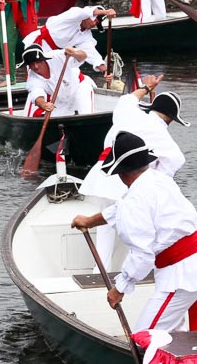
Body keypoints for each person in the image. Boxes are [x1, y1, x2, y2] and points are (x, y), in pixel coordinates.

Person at [71, 131, 197, 333]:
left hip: (181, 276)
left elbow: (142, 255)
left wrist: (120, 288)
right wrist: (89, 221)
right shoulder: (158, 179)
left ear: (122, 173)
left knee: (145, 336)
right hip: (195, 265)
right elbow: (119, 208)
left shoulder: (136, 199)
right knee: (171, 332)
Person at [79, 74, 189, 259]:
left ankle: (101, 269)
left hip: (101, 174)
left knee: (105, 225)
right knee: (138, 226)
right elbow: (177, 159)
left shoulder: (128, 111)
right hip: (125, 181)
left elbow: (128, 98)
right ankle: (133, 269)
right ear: (171, 119)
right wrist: (156, 179)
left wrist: (147, 87)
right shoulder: (160, 131)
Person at [21, 5, 113, 83]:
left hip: (55, 53)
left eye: (97, 23)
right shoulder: (75, 14)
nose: (94, 24)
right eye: (94, 20)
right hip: (38, 44)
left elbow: (91, 53)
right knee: (37, 74)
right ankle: (35, 95)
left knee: (56, 75)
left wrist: (105, 70)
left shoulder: (86, 35)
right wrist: (106, 12)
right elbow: (84, 12)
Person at [20, 44, 98, 118]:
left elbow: (83, 56)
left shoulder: (57, 56)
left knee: (86, 115)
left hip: (80, 87)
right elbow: (37, 95)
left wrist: (74, 53)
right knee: (55, 122)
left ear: (43, 60)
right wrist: (44, 105)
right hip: (60, 99)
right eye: (32, 64)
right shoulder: (32, 78)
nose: (36, 67)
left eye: (38, 62)